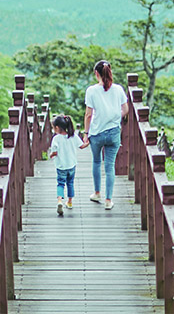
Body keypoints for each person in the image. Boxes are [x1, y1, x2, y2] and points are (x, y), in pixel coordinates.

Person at [81, 60, 129, 210]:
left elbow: (88, 115)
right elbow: (125, 110)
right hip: (114, 132)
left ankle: (97, 193)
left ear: (96, 74)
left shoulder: (91, 91)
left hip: (96, 133)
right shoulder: (118, 89)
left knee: (96, 162)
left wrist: (86, 133)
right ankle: (108, 200)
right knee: (109, 166)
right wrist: (114, 116)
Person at [48, 114, 80, 216]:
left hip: (61, 166)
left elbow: (54, 152)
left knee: (60, 183)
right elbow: (82, 145)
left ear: (57, 128)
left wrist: (51, 155)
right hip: (71, 165)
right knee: (70, 183)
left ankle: (59, 201)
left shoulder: (56, 138)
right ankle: (69, 202)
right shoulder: (73, 136)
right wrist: (89, 140)